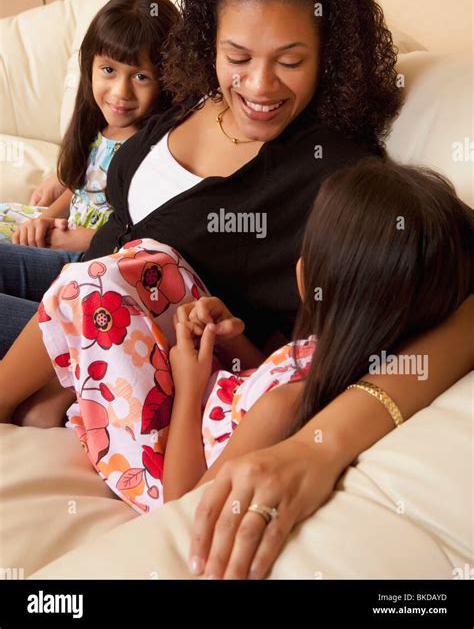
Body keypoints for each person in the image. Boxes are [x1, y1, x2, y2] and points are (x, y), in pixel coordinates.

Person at [2, 0, 473, 577]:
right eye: (238, 58)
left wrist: (320, 439)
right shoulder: (194, 100)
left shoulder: (328, 174)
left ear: (328, 51)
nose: (258, 86)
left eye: (289, 61)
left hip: (120, 332)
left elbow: (335, 331)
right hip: (87, 279)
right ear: (208, 45)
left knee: (108, 278)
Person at [0, 159, 472, 515]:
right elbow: (259, 382)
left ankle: (45, 400)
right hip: (208, 391)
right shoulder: (340, 353)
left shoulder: (285, 406)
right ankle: (53, 402)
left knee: (90, 288)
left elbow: (183, 502)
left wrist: (189, 386)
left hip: (165, 456)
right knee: (155, 261)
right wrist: (234, 343)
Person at [0, 0, 179, 355]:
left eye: (140, 77)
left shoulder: (155, 148)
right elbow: (82, 185)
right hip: (68, 245)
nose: (120, 92)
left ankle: (50, 347)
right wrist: (46, 219)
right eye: (108, 70)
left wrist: (75, 237)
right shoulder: (100, 128)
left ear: (167, 80)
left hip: (92, 264)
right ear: (90, 67)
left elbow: (137, 240)